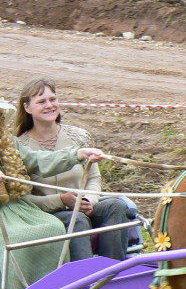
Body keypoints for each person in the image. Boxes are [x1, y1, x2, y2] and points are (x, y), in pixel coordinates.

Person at [0, 91, 104, 289]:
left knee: (53, 228)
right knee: (19, 239)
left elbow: (40, 160)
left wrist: (77, 154)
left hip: (21, 210)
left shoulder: (10, 147)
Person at [15, 79, 130, 262]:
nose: (49, 105)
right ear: (27, 108)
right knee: (77, 219)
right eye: (41, 101)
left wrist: (88, 201)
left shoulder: (79, 137)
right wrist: (60, 200)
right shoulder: (19, 147)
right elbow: (24, 199)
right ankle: (84, 281)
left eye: (53, 99)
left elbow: (94, 177)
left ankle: (112, 272)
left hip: (82, 207)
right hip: (48, 214)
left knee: (116, 206)